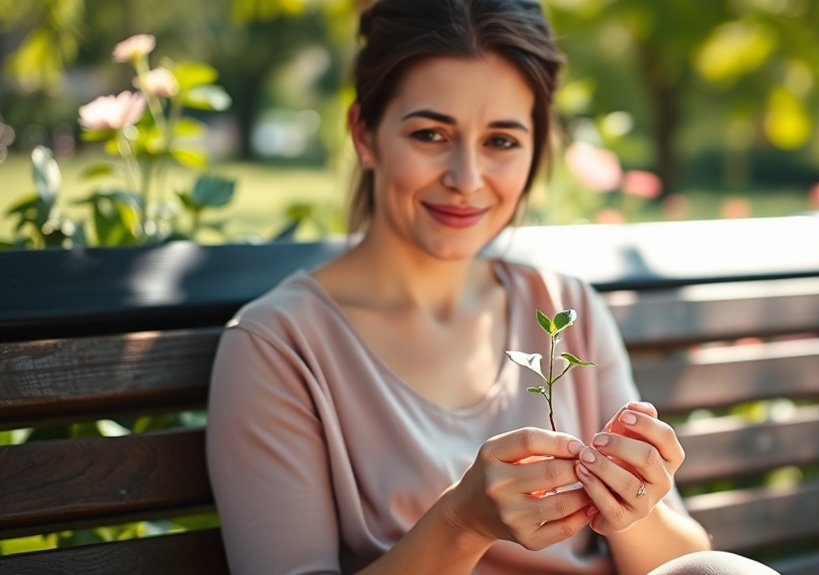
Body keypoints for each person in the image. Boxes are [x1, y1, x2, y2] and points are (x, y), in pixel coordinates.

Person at [206, 1, 781, 574]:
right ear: (365, 135)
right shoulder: (278, 346)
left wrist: (636, 507)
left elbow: (681, 565)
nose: (466, 180)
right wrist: (462, 524)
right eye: (431, 134)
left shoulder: (566, 309)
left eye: (501, 141)